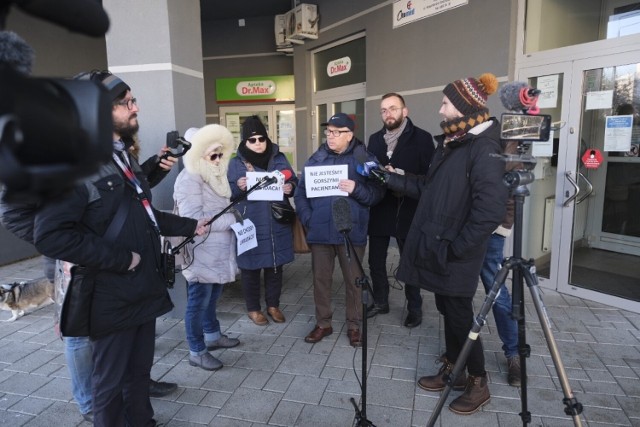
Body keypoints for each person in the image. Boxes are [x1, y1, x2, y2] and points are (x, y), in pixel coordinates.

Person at [34, 70, 209, 427]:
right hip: (110, 293)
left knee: (139, 372)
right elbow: (51, 235)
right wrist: (121, 259)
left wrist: (191, 226)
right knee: (110, 382)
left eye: (133, 100)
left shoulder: (120, 156)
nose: (136, 108)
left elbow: (140, 214)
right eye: (126, 102)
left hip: (141, 288)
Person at [381, 73, 507, 414]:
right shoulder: (453, 143)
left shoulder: (482, 148)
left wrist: (458, 248)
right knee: (448, 312)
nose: (441, 107)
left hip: (455, 251)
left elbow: (491, 209)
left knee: (460, 316)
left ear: (464, 107)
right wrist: (391, 178)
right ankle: (456, 368)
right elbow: (429, 189)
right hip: (439, 246)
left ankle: (478, 381)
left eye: (446, 103)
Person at [294, 113, 385, 347]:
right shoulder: (316, 159)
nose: (331, 136)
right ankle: (323, 323)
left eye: (337, 132)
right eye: (329, 132)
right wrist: (308, 218)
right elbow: (301, 193)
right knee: (320, 280)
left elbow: (378, 193)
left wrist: (357, 189)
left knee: (354, 281)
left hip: (351, 232)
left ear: (350, 135)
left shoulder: (364, 158)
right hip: (320, 231)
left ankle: (354, 326)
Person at [174, 124, 240, 371]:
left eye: (221, 154)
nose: (219, 159)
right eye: (213, 154)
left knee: (213, 296)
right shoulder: (188, 179)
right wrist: (232, 220)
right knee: (198, 301)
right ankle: (196, 351)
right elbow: (193, 220)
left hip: (216, 250)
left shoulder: (212, 174)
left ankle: (212, 336)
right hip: (200, 252)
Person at [366, 93, 435, 328]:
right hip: (380, 208)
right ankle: (380, 301)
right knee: (376, 260)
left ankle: (414, 308)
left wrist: (401, 176)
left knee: (409, 262)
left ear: (405, 111)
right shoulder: (374, 140)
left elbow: (430, 179)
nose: (388, 114)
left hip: (408, 209)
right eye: (384, 110)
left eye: (393, 108)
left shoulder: (423, 138)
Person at [227, 116, 298, 326]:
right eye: (252, 140)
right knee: (250, 266)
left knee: (275, 265)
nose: (258, 143)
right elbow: (226, 192)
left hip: (276, 220)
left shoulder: (279, 158)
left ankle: (273, 305)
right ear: (244, 142)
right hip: (250, 220)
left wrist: (290, 187)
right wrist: (237, 187)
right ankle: (254, 309)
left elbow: (293, 179)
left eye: (261, 138)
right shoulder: (236, 163)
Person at [479, 138, 521, 387]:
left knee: (496, 291)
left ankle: (513, 353)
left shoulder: (506, 142)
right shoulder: (465, 138)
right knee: (457, 294)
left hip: (492, 231)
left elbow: (513, 190)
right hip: (463, 228)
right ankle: (460, 349)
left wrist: (504, 226)